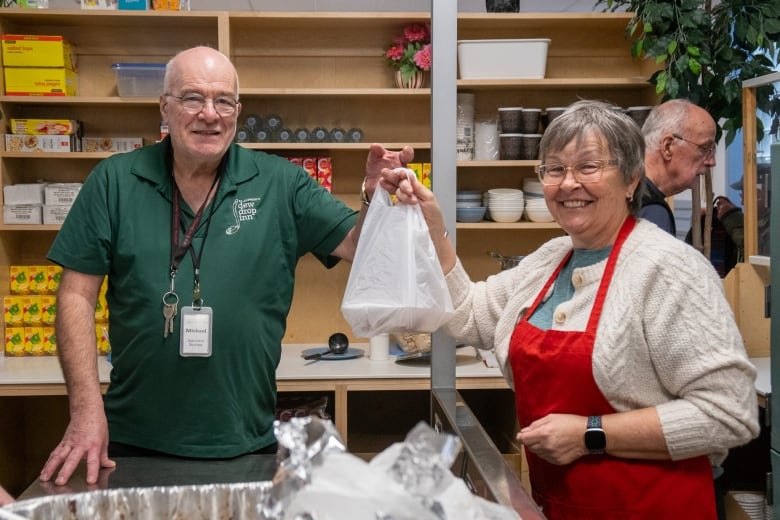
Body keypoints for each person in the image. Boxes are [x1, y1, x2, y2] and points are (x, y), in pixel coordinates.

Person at [39, 46, 413, 487]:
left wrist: (373, 195)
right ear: (164, 106)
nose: (210, 114)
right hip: (130, 442)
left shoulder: (281, 182)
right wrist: (85, 412)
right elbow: (75, 294)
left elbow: (357, 245)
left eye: (224, 101)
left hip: (244, 439)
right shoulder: (114, 181)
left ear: (238, 111)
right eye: (193, 98)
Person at [379, 99, 759, 518]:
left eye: (589, 166)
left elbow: (729, 412)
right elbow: (468, 312)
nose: (568, 183)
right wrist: (433, 227)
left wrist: (591, 434)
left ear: (632, 178)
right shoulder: (550, 260)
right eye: (555, 169)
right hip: (561, 506)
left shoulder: (670, 270)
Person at [640, 98, 718, 235]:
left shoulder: (617, 192)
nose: (712, 162)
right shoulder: (652, 212)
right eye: (705, 147)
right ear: (668, 147)